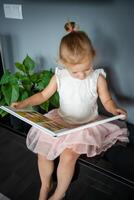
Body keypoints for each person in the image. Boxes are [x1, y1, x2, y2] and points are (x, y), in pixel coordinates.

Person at [11, 21, 129, 200]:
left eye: (86, 68)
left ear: (92, 57)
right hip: (60, 121)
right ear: (63, 63)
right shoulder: (59, 76)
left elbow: (106, 100)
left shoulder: (97, 78)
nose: (82, 75)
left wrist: (114, 109)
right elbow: (43, 96)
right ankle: (45, 185)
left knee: (68, 156)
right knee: (43, 152)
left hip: (84, 126)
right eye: (76, 72)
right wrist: (22, 104)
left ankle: (60, 192)